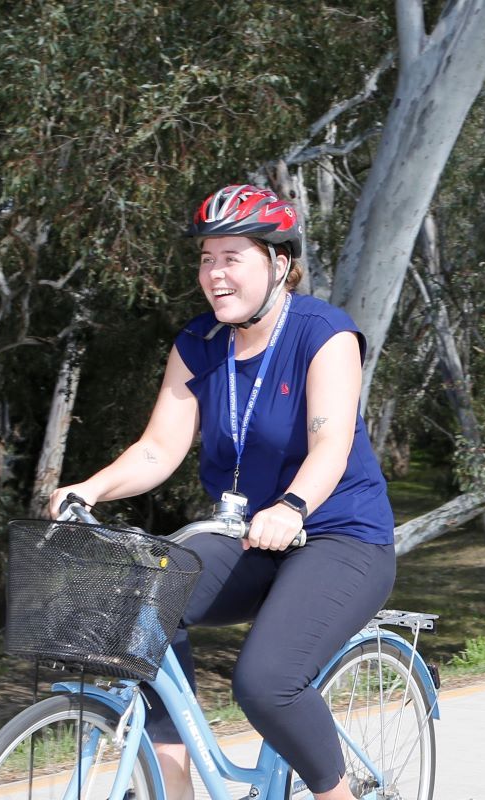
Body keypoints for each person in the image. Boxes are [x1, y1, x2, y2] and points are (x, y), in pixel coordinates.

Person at [50, 184, 395, 800]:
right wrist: (90, 488)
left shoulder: (324, 333)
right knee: (145, 599)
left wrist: (291, 506)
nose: (215, 274)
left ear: (279, 264)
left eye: (232, 257)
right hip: (247, 538)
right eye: (207, 258)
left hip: (341, 537)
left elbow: (330, 446)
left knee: (265, 682)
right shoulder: (200, 345)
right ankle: (174, 785)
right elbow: (159, 448)